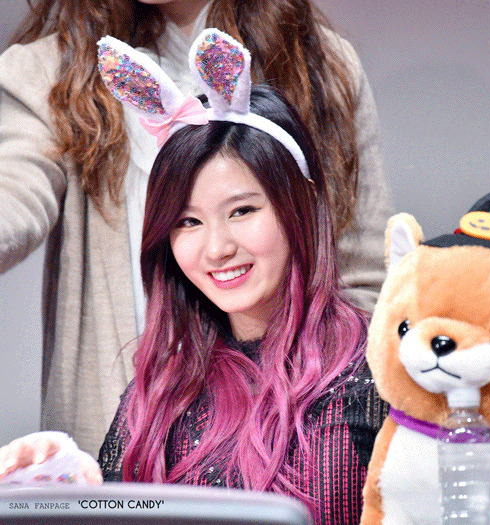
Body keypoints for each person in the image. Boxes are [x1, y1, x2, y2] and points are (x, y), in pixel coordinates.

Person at [0, 53, 388, 522]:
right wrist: (62, 483)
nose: (217, 248)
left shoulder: (382, 373)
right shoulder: (160, 390)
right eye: (188, 221)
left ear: (300, 204)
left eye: (242, 211)